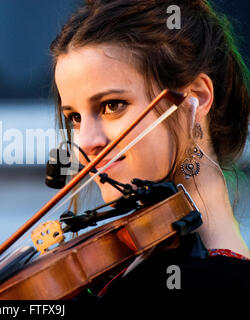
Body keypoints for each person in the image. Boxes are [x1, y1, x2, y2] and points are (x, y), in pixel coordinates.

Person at [49, 0, 250, 300]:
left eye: (112, 106)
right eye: (75, 117)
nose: (86, 142)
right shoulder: (122, 269)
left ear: (195, 98)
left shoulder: (221, 286)